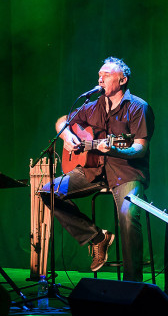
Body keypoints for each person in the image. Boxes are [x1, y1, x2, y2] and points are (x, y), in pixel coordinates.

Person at [40, 57, 154, 282]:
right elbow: (62, 121)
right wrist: (68, 136)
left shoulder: (139, 108)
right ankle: (96, 238)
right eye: (99, 74)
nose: (100, 78)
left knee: (127, 216)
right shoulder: (92, 106)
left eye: (107, 75)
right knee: (48, 191)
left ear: (122, 80)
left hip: (126, 173)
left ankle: (133, 285)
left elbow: (139, 149)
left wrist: (114, 150)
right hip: (92, 170)